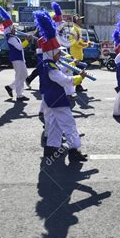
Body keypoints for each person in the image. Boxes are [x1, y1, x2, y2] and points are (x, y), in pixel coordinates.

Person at [34, 10, 88, 162]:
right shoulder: (50, 66)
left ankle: (50, 150)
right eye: (57, 52)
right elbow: (64, 80)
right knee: (69, 124)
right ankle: (74, 150)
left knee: (55, 125)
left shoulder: (49, 62)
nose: (59, 54)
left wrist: (71, 65)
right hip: (57, 99)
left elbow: (60, 71)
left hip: (52, 99)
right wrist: (79, 77)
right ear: (51, 51)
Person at [0, 6, 31, 101]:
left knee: (20, 76)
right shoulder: (11, 38)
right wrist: (27, 41)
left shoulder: (13, 37)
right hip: (17, 59)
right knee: (23, 75)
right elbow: (20, 47)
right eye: (13, 27)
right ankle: (11, 88)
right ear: (10, 28)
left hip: (19, 59)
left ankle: (18, 94)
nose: (14, 29)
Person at [68, 14, 91, 92]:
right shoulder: (75, 30)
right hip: (75, 55)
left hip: (76, 54)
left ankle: (78, 86)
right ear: (76, 21)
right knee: (77, 72)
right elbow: (78, 43)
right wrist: (87, 44)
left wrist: (86, 43)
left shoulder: (76, 29)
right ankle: (74, 88)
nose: (81, 21)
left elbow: (79, 42)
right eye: (79, 19)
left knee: (77, 71)